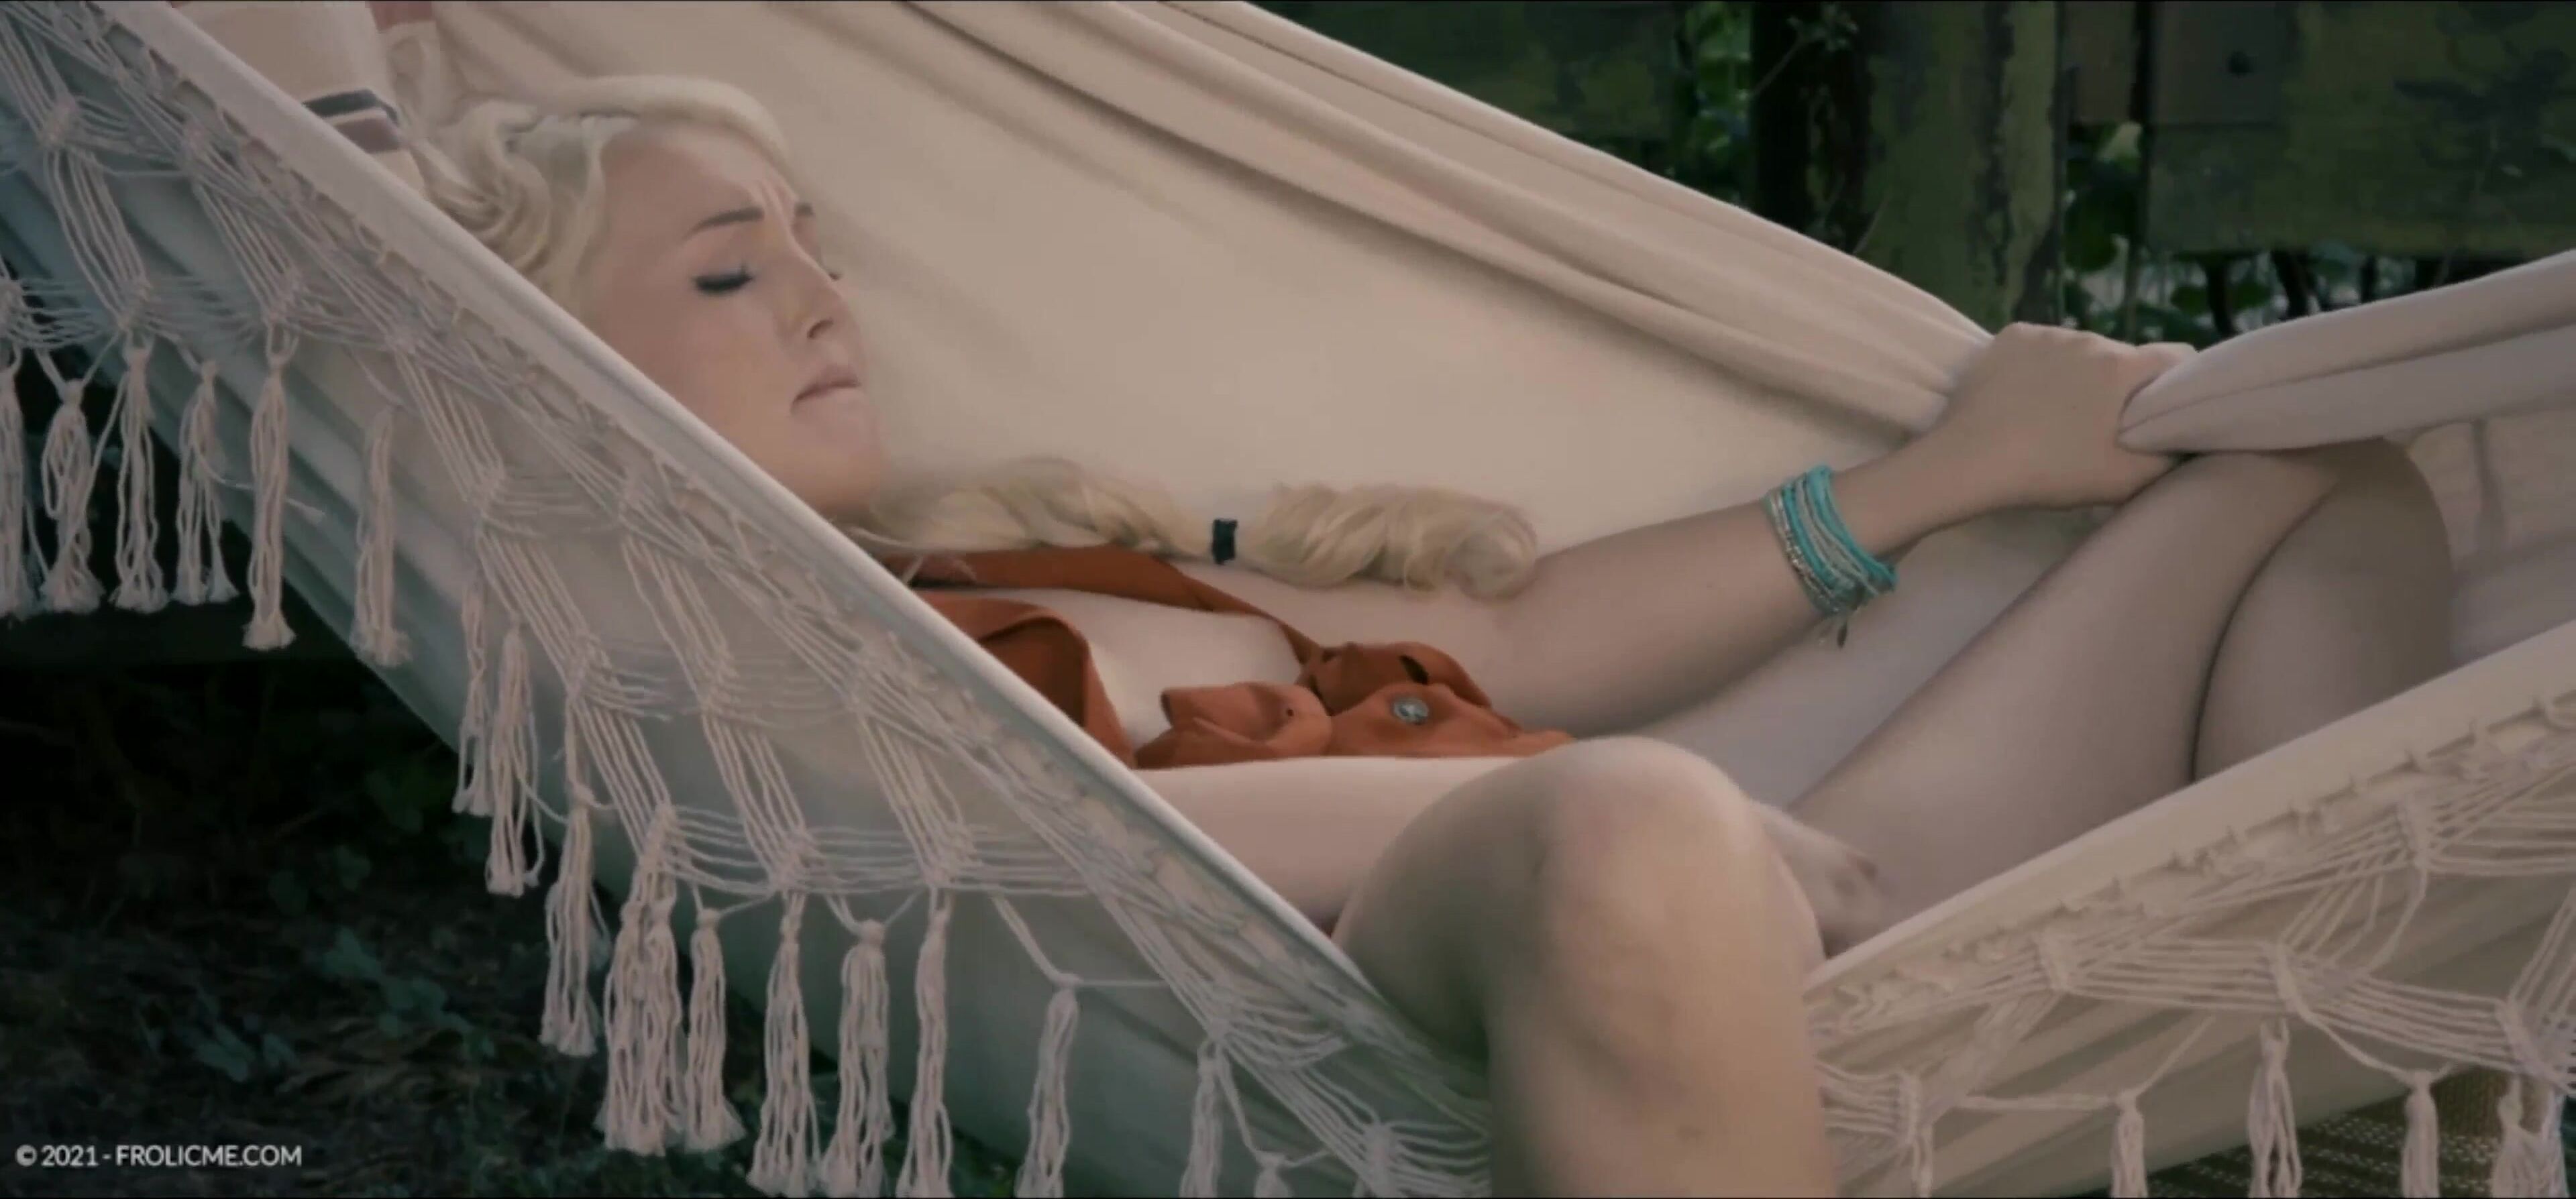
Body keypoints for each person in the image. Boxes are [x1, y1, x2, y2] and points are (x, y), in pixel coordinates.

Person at [407, 76, 2455, 1196]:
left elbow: (1536, 630)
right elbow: (1074, 846)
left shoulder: (1066, 560)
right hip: (1489, 945)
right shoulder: (732, 661)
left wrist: (1946, 478)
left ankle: (2344, 1125)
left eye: (820, 249)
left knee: (2321, 466)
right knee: (1637, 827)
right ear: (554, 364)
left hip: (1793, 888)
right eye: (729, 272)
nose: (821, 298)